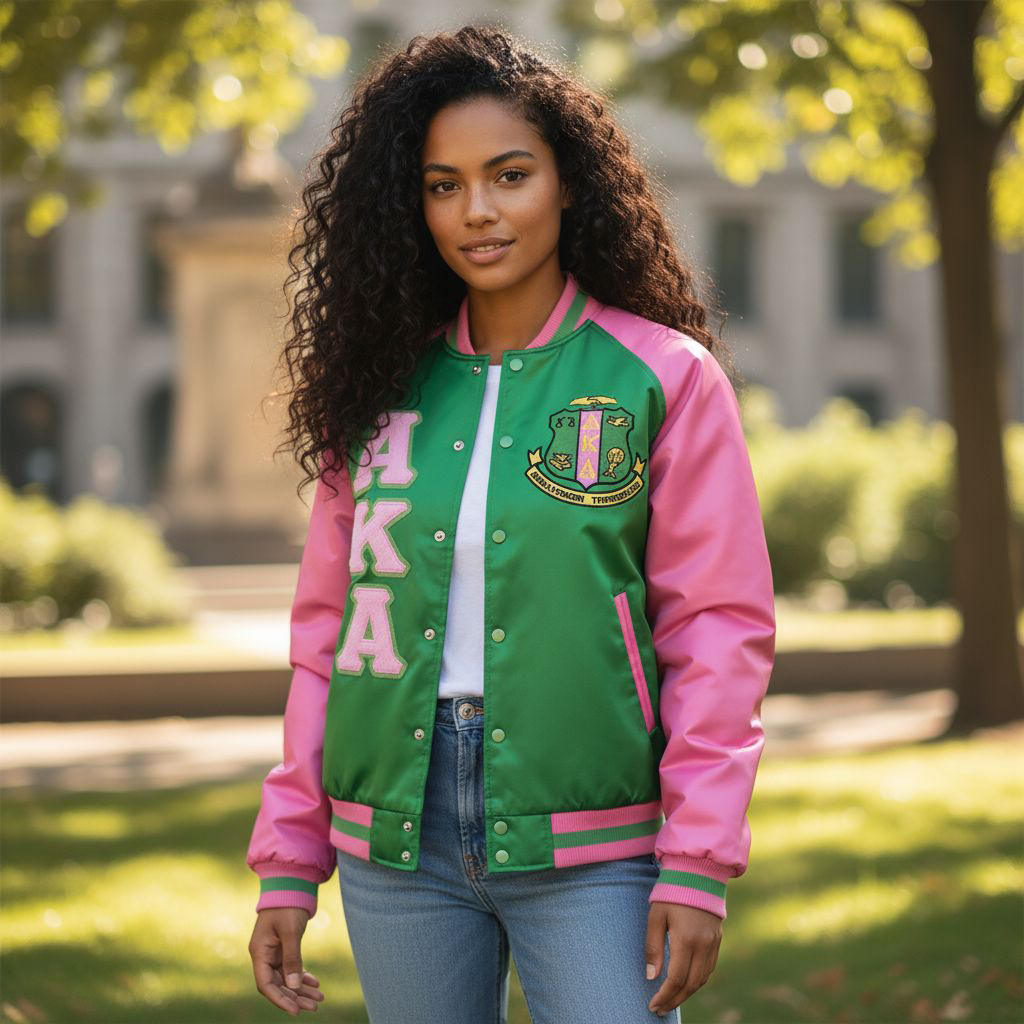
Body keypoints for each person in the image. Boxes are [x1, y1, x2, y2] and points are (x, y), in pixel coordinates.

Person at [246, 24, 775, 1024]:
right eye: (442, 184)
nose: (476, 212)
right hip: (394, 839)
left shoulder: (661, 376)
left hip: (595, 832)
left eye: (509, 175)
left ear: (568, 183)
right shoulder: (376, 390)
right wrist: (287, 857)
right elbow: (326, 638)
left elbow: (716, 627)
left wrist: (697, 857)